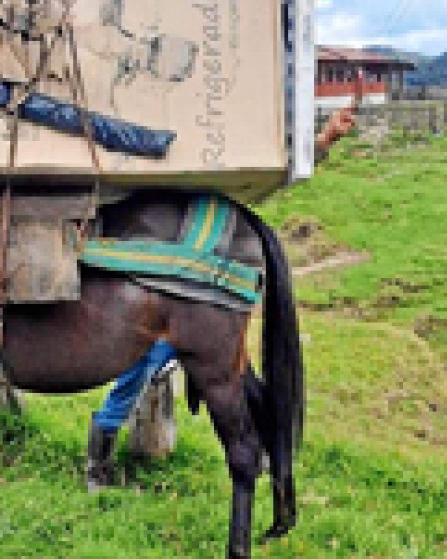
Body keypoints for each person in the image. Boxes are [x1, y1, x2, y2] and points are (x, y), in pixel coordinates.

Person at [85, 107, 356, 490]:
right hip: (155, 294)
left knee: (233, 375)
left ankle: (256, 453)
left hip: (207, 297)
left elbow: (268, 172)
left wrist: (324, 142)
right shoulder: (138, 178)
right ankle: (98, 463)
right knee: (134, 373)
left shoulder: (216, 171)